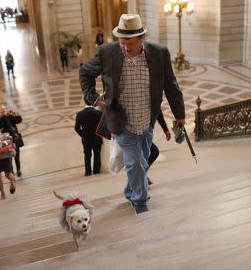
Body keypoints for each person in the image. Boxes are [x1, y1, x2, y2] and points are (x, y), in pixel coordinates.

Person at [79, 13, 185, 214]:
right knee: (135, 162)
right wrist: (93, 97)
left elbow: (171, 85)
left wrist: (179, 114)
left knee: (141, 161)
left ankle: (129, 190)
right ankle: (140, 201)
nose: (125, 48)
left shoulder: (159, 54)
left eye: (131, 44)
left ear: (142, 38)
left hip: (147, 121)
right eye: (122, 43)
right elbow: (85, 72)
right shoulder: (107, 52)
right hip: (122, 122)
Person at [74, 102, 103, 176]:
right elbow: (103, 125)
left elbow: (76, 128)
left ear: (85, 103)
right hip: (97, 137)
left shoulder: (80, 114)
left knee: (87, 155)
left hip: (86, 139)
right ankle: (96, 170)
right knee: (97, 154)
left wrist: (83, 134)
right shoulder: (99, 113)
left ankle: (88, 171)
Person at [0, 105, 24, 177]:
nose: (3, 111)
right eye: (1, 110)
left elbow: (18, 120)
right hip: (6, 141)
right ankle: (11, 173)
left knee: (17, 155)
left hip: (15, 139)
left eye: (4, 109)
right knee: (9, 158)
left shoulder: (9, 117)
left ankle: (18, 170)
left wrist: (16, 114)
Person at [146, 112, 171, 185]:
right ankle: (139, 178)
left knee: (154, 152)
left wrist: (165, 129)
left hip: (145, 130)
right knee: (153, 152)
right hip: (136, 130)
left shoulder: (155, 102)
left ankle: (141, 176)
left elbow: (158, 112)